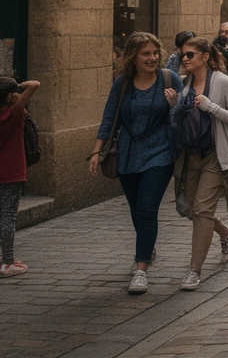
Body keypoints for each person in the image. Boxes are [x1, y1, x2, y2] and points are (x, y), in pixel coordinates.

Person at [90, 32, 183, 294]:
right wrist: (96, 152)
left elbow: (185, 112)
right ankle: (147, 246)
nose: (152, 58)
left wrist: (175, 103)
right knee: (136, 209)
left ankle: (140, 269)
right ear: (133, 57)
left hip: (160, 151)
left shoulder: (169, 78)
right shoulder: (122, 84)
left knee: (146, 208)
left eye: (155, 53)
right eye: (146, 54)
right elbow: (109, 119)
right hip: (129, 153)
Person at [169, 36, 228, 292]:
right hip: (192, 155)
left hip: (216, 154)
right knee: (194, 210)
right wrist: (173, 105)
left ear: (205, 56)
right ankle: (226, 232)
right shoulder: (183, 85)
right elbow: (179, 122)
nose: (185, 58)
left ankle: (194, 270)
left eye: (190, 54)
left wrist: (211, 107)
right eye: (183, 54)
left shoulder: (223, 82)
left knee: (202, 210)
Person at [0, 76, 40, 277]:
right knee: (8, 218)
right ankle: (8, 262)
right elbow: (35, 85)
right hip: (11, 173)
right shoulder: (13, 113)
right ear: (9, 97)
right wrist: (16, 91)